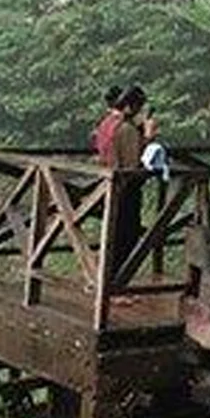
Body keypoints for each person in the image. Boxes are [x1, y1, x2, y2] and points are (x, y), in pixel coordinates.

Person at [93, 84, 152, 285]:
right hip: (126, 190)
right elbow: (134, 165)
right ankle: (115, 287)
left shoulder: (106, 123)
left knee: (113, 238)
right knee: (126, 238)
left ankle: (106, 284)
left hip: (107, 186)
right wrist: (148, 138)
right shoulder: (126, 129)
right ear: (129, 106)